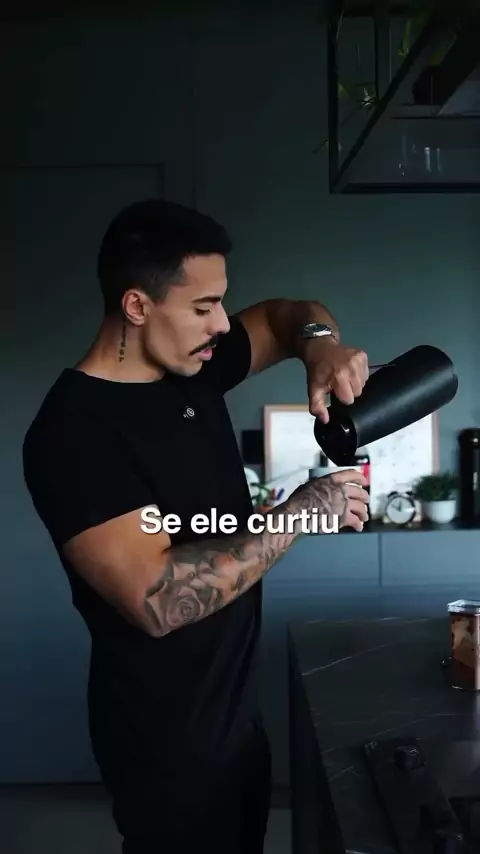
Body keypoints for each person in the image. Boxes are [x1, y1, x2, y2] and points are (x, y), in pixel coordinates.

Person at [22, 198, 370, 854]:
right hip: (167, 744)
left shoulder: (192, 367)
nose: (221, 324)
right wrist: (300, 514)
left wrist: (320, 346)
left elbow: (287, 315)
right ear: (136, 306)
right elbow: (158, 600)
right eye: (203, 306)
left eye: (222, 301)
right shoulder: (75, 434)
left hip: (233, 717)